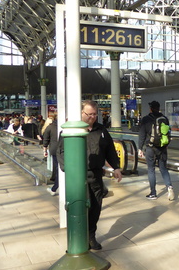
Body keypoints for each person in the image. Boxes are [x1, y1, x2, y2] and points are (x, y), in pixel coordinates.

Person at [59, 100, 122, 251]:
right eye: (89, 114)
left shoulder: (101, 130)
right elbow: (60, 151)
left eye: (95, 114)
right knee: (79, 206)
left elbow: (110, 150)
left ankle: (91, 236)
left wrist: (117, 167)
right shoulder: (71, 131)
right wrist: (68, 169)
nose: (93, 117)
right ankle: (79, 237)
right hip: (77, 176)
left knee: (95, 206)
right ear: (81, 113)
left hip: (95, 175)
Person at [138, 100, 174, 201]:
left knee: (151, 170)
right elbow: (168, 133)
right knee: (163, 168)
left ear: (150, 109)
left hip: (150, 148)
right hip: (162, 148)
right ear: (159, 108)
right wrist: (166, 145)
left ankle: (153, 193)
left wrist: (140, 148)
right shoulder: (164, 119)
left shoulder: (146, 119)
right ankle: (169, 187)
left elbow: (142, 135)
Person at [42, 113, 59, 196]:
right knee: (60, 169)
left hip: (54, 150)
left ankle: (54, 188)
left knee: (58, 169)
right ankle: (55, 187)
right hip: (65, 150)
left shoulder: (50, 127)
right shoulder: (64, 127)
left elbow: (45, 140)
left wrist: (45, 150)